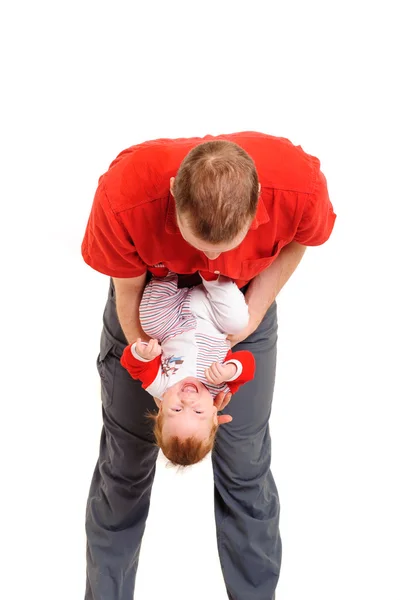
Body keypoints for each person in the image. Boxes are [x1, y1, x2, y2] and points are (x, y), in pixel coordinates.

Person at [81, 131, 336, 600]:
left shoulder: (298, 186)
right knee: (124, 468)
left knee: (245, 468)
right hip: (150, 313)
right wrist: (149, 357)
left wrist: (252, 315)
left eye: (226, 247)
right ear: (175, 190)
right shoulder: (126, 193)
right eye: (198, 242)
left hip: (238, 310)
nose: (212, 260)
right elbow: (128, 295)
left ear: (258, 207)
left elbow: (304, 240)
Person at [120, 269, 256, 466]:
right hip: (211, 316)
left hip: (172, 321)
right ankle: (213, 277)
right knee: (238, 322)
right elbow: (248, 364)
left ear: (161, 409)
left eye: (176, 408)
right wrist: (231, 370)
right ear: (214, 417)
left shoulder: (160, 387)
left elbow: (133, 367)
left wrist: (141, 355)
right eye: (198, 412)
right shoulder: (220, 388)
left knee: (150, 323)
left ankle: (165, 273)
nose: (188, 400)